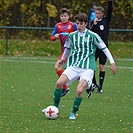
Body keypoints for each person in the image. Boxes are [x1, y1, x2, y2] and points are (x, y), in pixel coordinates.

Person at [42, 13, 116, 119]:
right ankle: (55, 107)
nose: (79, 26)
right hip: (73, 66)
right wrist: (62, 60)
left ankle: (73, 112)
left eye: (81, 23)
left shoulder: (93, 36)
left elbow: (104, 48)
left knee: (79, 90)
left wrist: (112, 62)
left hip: (87, 68)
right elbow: (67, 48)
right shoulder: (72, 36)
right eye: (77, 23)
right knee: (59, 83)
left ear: (86, 24)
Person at [88, 0, 113, 93]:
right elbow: (89, 32)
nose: (97, 15)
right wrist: (94, 24)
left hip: (103, 47)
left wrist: (110, 2)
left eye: (99, 13)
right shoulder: (92, 22)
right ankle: (94, 83)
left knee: (102, 66)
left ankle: (100, 87)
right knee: (91, 65)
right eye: (96, 13)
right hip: (93, 47)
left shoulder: (106, 20)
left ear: (102, 13)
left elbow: (110, 10)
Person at [50, 8, 77, 97]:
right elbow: (52, 37)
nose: (63, 18)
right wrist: (55, 37)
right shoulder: (58, 26)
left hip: (72, 50)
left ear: (69, 16)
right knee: (76, 71)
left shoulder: (73, 25)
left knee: (57, 67)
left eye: (65, 16)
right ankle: (89, 85)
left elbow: (80, 34)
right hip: (64, 51)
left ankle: (65, 87)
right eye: (62, 16)